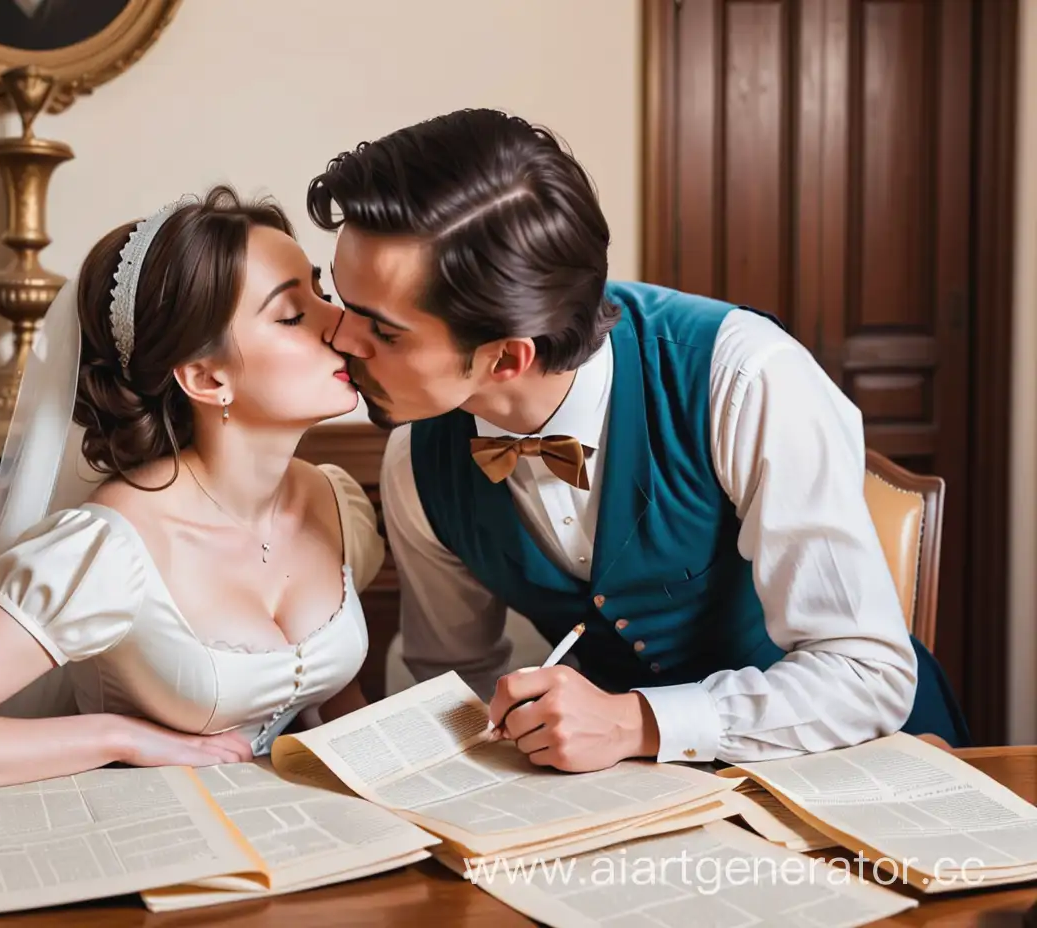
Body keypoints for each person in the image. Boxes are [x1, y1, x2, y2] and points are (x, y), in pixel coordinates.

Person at [307, 108, 971, 772]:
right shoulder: (415, 462)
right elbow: (452, 681)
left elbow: (866, 673)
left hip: (856, 761)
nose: (338, 337)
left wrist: (638, 722)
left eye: (381, 329)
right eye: (341, 301)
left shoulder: (746, 378)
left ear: (507, 359)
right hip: (624, 795)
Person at [0, 186, 382, 791]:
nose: (344, 326)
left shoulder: (335, 501)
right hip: (149, 840)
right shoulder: (109, 551)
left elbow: (330, 696)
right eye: (295, 314)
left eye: (323, 294)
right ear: (205, 376)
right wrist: (121, 736)